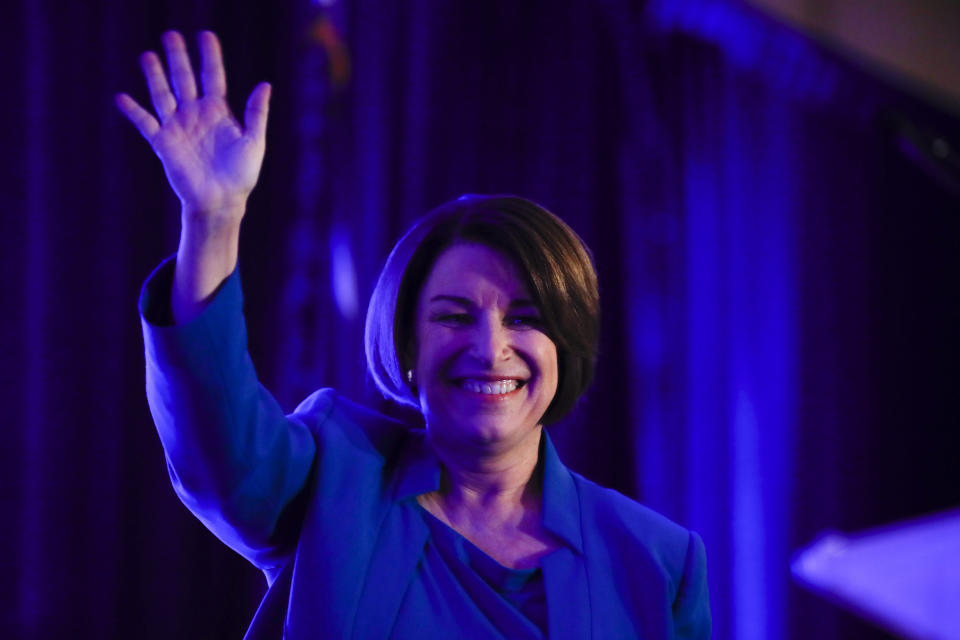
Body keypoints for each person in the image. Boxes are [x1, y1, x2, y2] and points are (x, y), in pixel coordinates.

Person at [118, 31, 711, 639]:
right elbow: (219, 451)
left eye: (525, 318)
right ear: (405, 346)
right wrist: (213, 221)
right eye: (454, 317)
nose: (489, 348)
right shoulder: (334, 476)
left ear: (567, 342)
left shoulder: (659, 562)